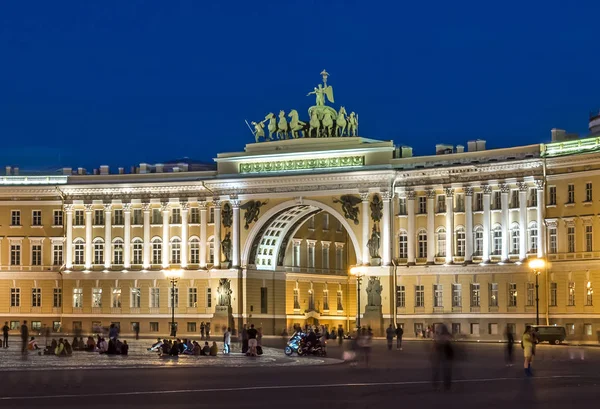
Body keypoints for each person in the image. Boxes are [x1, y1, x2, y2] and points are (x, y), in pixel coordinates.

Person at [432, 324, 453, 390]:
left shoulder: (438, 335)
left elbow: (435, 345)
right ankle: (446, 385)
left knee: (438, 371)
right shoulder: (446, 335)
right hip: (445, 354)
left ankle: (436, 385)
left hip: (440, 354)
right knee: (446, 370)